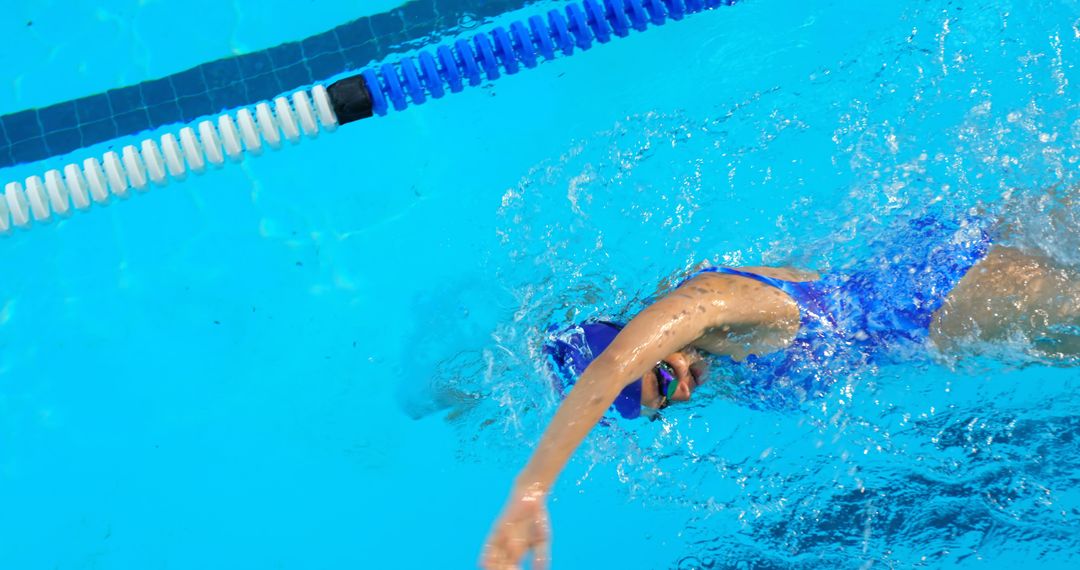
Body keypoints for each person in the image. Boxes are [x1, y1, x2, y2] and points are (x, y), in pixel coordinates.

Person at [478, 212, 1080, 569]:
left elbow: (611, 362)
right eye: (664, 405)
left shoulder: (713, 303)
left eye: (663, 375)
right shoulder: (712, 351)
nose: (682, 394)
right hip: (929, 298)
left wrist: (532, 489)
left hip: (941, 296)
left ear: (648, 340)